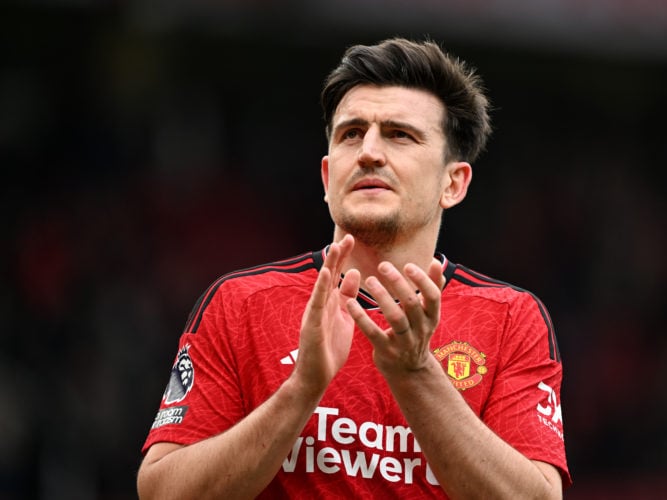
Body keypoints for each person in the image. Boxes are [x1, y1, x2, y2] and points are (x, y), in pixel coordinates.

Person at [137, 37, 571, 499]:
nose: (368, 152)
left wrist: (416, 372)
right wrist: (302, 390)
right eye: (351, 133)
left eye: (399, 134)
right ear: (327, 178)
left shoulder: (509, 319)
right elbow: (162, 492)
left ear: (454, 183)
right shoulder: (241, 304)